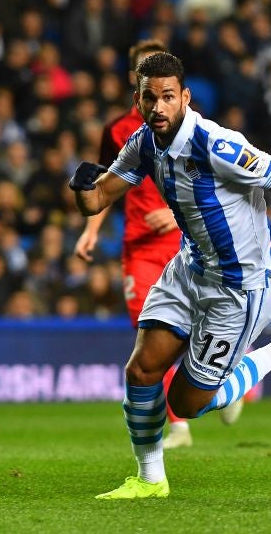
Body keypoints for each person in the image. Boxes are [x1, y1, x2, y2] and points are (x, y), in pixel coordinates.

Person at [70, 52, 271, 499]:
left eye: (168, 97)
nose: (158, 107)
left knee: (185, 403)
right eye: (149, 98)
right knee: (141, 371)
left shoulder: (217, 145)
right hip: (190, 268)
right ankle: (150, 479)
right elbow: (98, 201)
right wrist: (81, 188)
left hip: (240, 288)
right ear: (137, 100)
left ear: (185, 98)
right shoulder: (143, 143)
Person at [73, 39, 221, 449]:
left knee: (196, 327)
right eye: (146, 78)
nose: (157, 96)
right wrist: (90, 230)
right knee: (150, 330)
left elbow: (213, 187)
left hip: (185, 242)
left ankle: (222, 377)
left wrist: (174, 215)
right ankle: (179, 426)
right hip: (137, 247)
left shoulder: (194, 127)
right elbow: (106, 185)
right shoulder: (118, 132)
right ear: (133, 83)